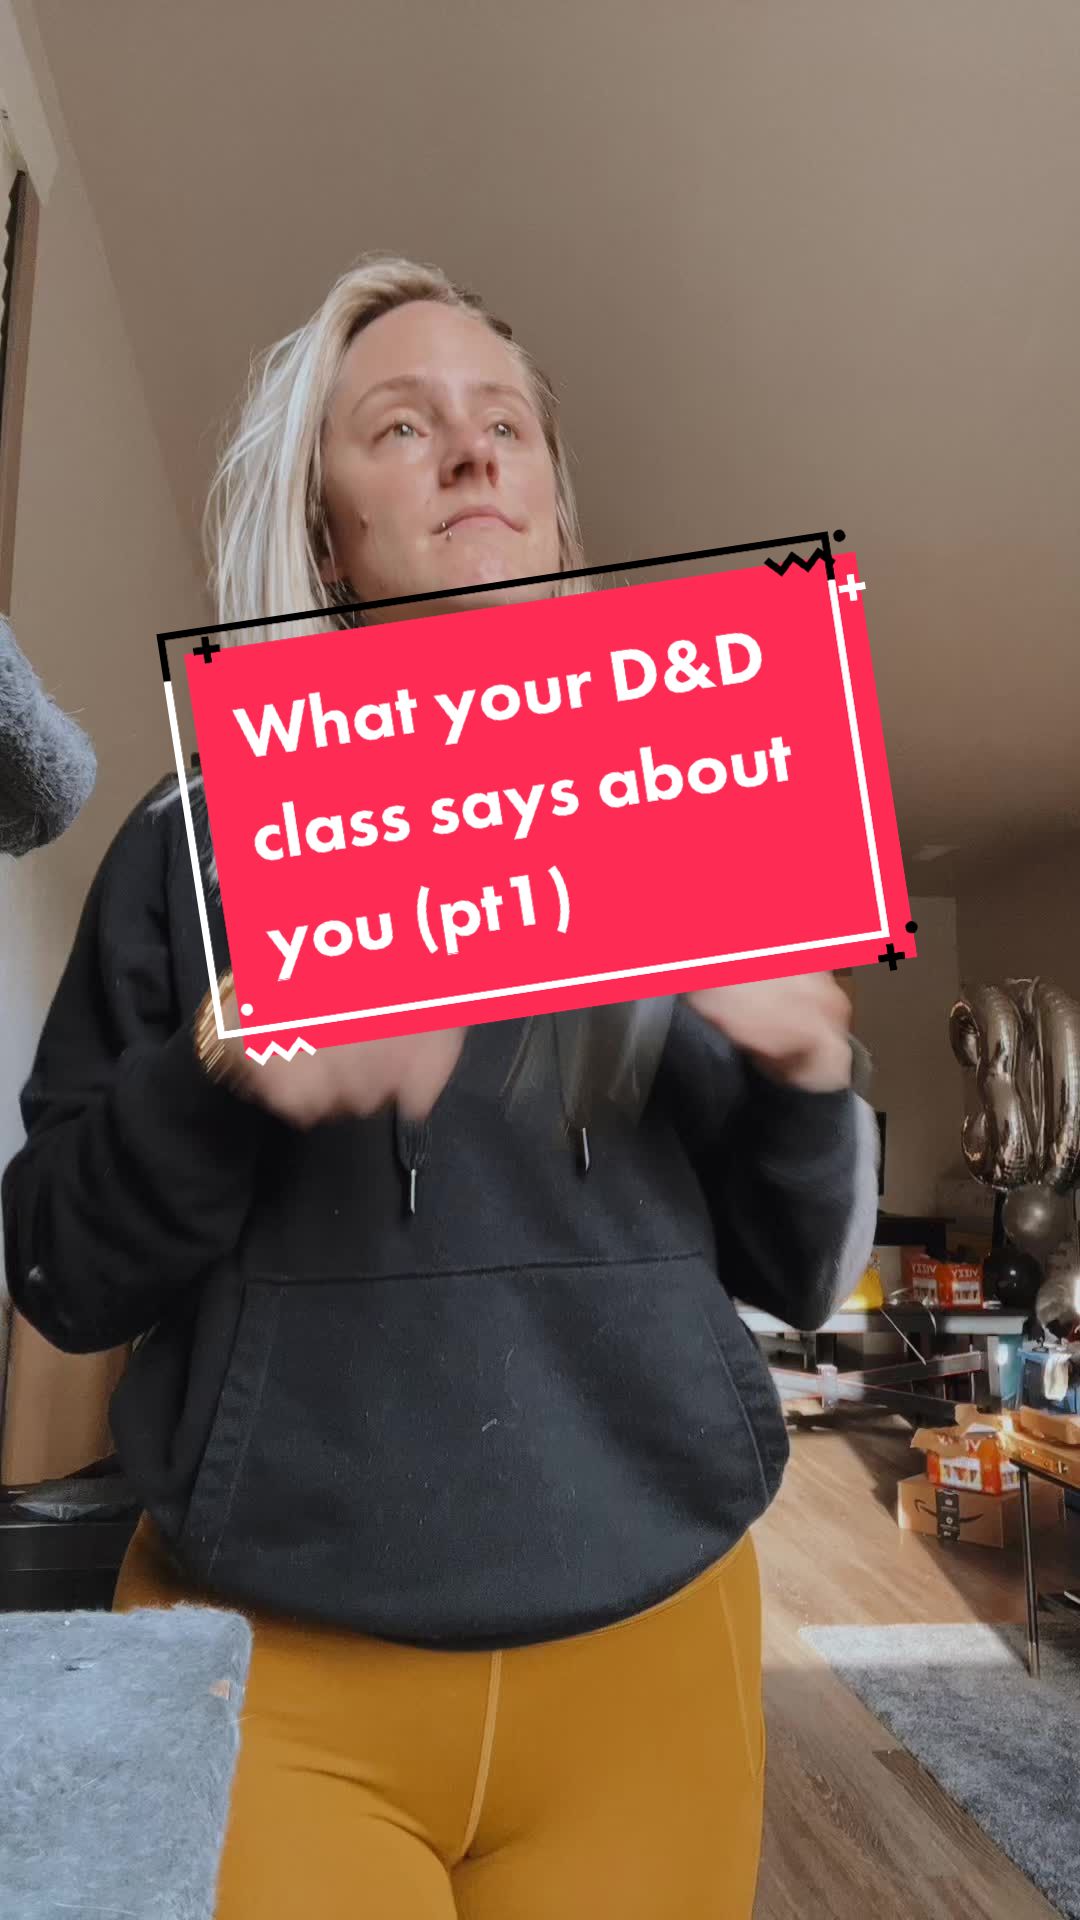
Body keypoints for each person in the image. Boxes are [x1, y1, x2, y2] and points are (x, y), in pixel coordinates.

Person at [1, 252, 879, 1919]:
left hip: (654, 1655)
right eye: (402, 426)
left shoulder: (693, 808)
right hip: (270, 1671)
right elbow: (57, 1268)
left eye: (506, 425)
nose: (473, 452)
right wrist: (225, 1061)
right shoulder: (190, 841)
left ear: (552, 504)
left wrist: (807, 1081)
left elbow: (800, 1271)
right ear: (327, 534)